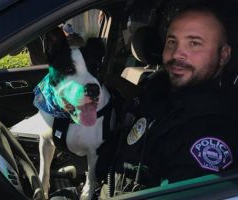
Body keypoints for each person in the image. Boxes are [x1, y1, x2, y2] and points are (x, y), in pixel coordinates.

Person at [95, 4, 238, 198]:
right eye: (172, 42)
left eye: (194, 43)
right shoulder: (159, 88)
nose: (177, 53)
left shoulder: (210, 128)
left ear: (223, 55)